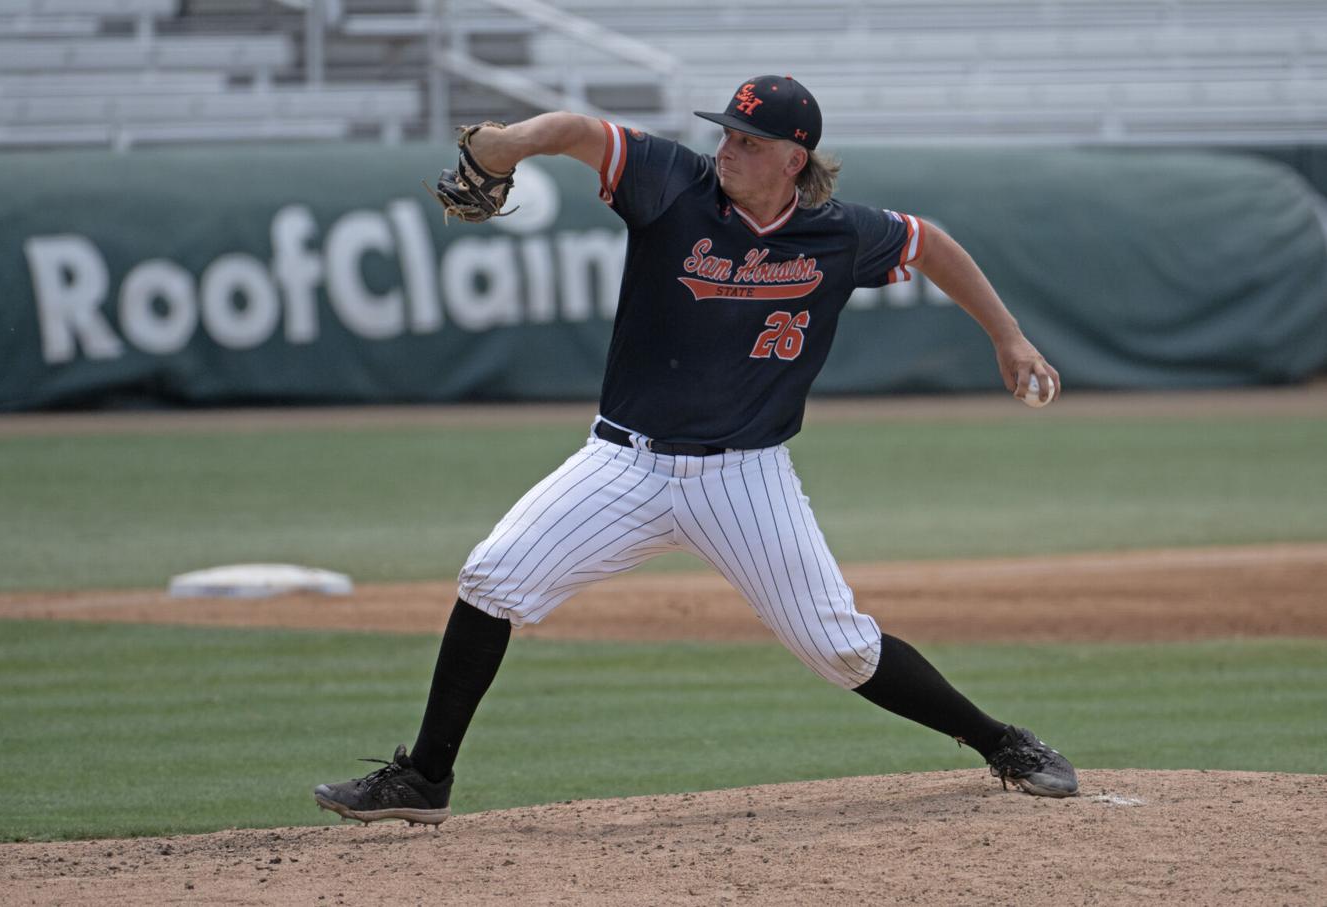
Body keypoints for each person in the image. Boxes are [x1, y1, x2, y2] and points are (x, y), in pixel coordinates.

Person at [314, 75, 1076, 827]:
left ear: (794, 159)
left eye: (749, 141)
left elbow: (930, 244)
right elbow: (581, 133)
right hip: (623, 462)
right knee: (492, 577)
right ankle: (424, 777)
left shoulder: (840, 233)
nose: (728, 149)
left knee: (838, 647)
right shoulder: (673, 185)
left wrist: (1008, 338)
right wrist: (512, 145)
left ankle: (1002, 741)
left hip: (745, 478)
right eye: (726, 133)